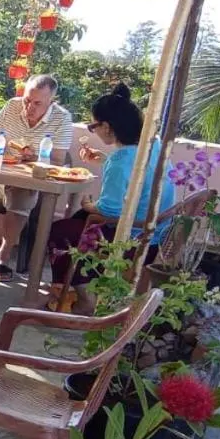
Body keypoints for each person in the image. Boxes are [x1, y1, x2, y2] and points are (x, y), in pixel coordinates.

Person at [46, 84, 176, 310]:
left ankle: (85, 298)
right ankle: (68, 290)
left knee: (60, 232)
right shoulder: (151, 145)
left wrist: (89, 205)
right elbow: (137, 175)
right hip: (157, 232)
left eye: (93, 125)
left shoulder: (121, 160)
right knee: (79, 217)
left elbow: (110, 210)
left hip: (133, 239)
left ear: (107, 126)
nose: (93, 131)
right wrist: (104, 160)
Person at [0, 74, 74, 281]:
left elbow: (59, 161)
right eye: (27, 100)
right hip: (1, 174)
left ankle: (3, 254)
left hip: (29, 181)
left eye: (37, 103)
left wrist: (34, 157)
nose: (29, 107)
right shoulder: (11, 107)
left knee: (22, 194)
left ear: (51, 101)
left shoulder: (62, 118)